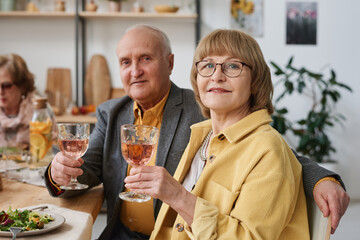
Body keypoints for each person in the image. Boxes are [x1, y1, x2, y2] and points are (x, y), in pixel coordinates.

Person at [45, 25, 349, 239]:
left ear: (170, 63)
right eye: (126, 62)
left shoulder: (203, 106)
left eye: (145, 59)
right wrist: (57, 171)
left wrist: (321, 177)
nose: (134, 70)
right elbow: (86, 168)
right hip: (124, 234)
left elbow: (274, 153)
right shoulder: (112, 112)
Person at [0, 53, 56, 149]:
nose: (1, 91)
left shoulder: (40, 108)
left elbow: (54, 150)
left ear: (22, 85)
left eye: (7, 85)